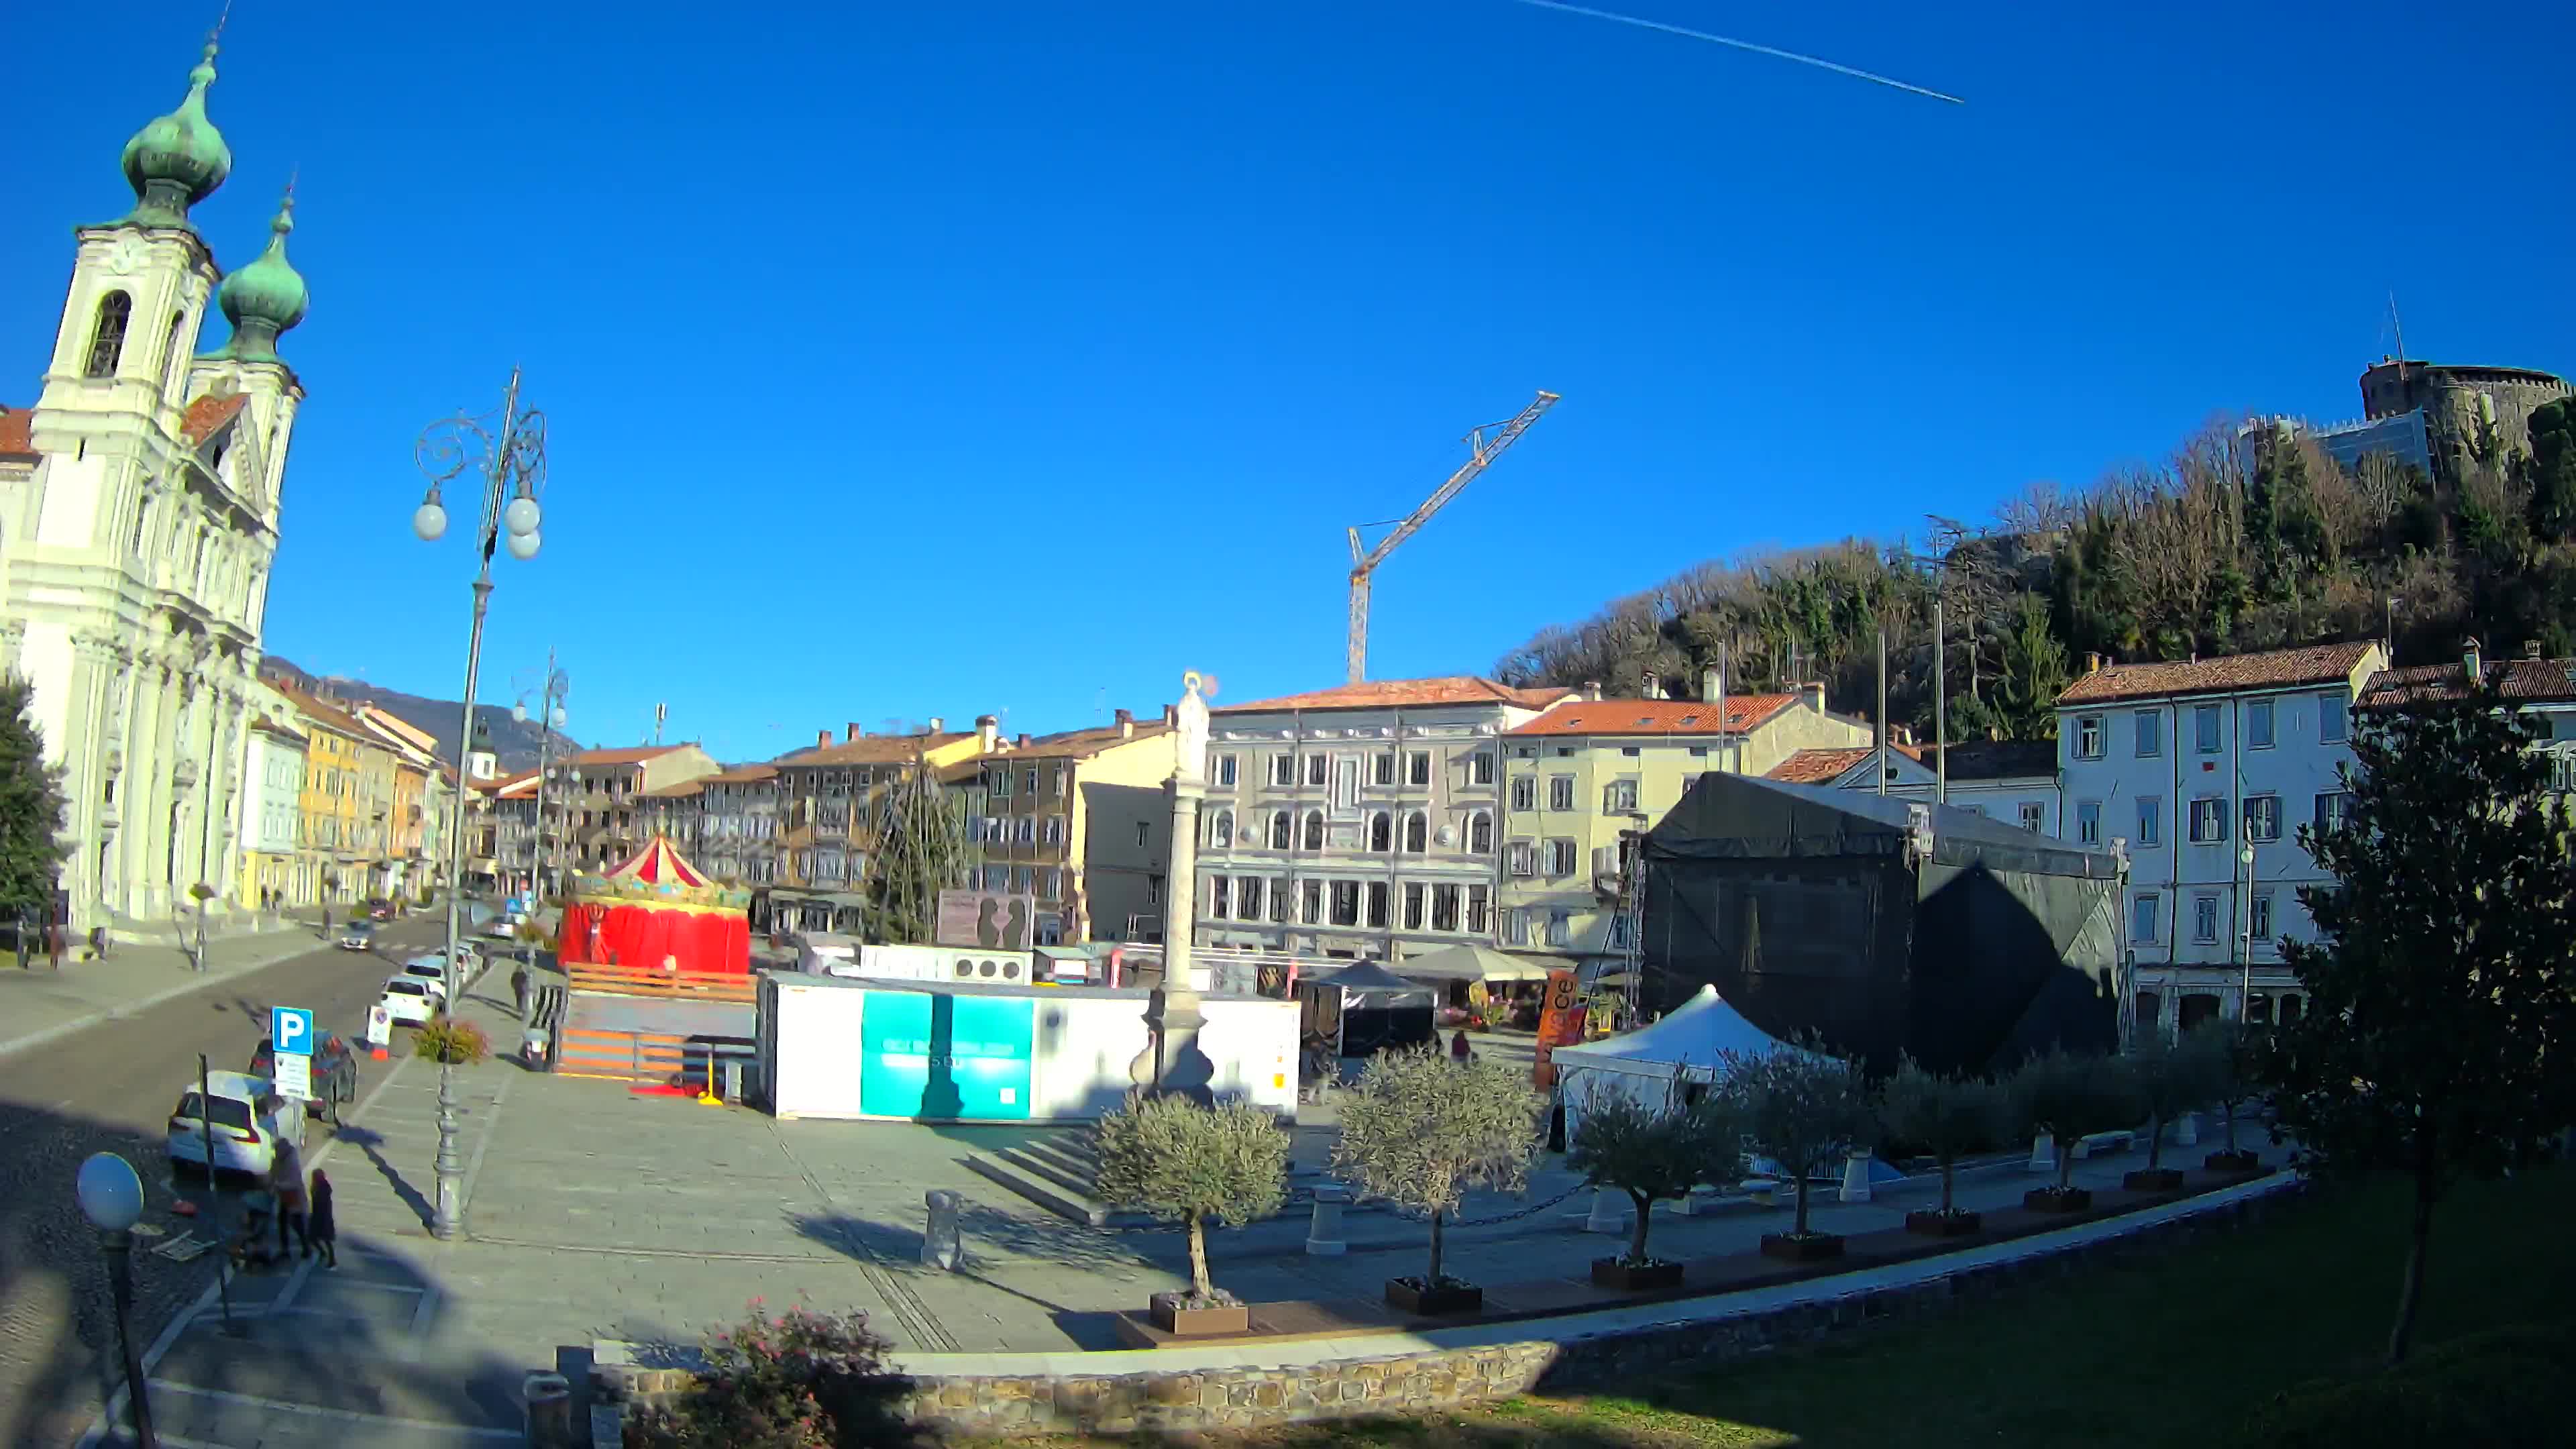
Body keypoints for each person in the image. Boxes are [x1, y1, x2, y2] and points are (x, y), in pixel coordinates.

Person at [268, 1138, 309, 1261]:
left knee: (297, 1224)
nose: (275, 1152)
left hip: (294, 1197)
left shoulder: (292, 1162)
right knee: (283, 1222)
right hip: (284, 1196)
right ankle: (285, 1250)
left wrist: (277, 1185)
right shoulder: (279, 1159)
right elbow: (274, 1172)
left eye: (277, 1150)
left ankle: (306, 1248)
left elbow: (293, 1182)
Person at [306, 1168, 337, 1267]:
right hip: (317, 1217)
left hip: (324, 1218)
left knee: (326, 1239)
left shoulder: (323, 1188)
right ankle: (323, 1253)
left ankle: (332, 1260)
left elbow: (322, 1203)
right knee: (313, 1238)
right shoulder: (317, 1187)